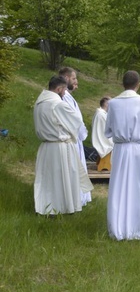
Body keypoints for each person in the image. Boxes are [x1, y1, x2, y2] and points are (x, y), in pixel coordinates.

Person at [106, 70, 140, 241]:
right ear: (138, 84)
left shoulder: (113, 103)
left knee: (120, 187)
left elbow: (109, 130)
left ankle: (118, 225)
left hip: (121, 149)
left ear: (123, 84)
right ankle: (138, 228)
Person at [33, 76, 87, 215]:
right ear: (58, 89)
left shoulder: (39, 102)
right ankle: (63, 207)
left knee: (49, 179)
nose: (64, 93)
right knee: (62, 179)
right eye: (63, 90)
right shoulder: (58, 104)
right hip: (60, 147)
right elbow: (76, 123)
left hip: (46, 146)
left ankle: (48, 206)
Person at [58, 66, 92, 207]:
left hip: (76, 138)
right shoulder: (63, 98)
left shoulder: (68, 96)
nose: (76, 81)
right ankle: (75, 199)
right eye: (74, 78)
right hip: (72, 138)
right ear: (66, 78)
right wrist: (82, 133)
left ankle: (80, 198)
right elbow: (73, 120)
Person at [91, 97, 113, 172]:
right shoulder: (101, 115)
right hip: (102, 139)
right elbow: (107, 129)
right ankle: (108, 164)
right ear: (107, 104)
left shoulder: (100, 113)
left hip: (101, 137)